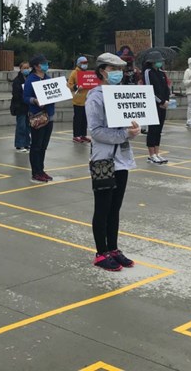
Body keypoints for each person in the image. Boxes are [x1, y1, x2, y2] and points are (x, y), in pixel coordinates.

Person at [85, 52, 141, 271]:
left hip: (122, 158)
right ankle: (101, 252)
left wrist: (135, 128)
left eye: (120, 69)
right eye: (113, 69)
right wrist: (125, 135)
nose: (118, 73)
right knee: (103, 207)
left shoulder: (123, 94)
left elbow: (132, 120)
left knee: (115, 207)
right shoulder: (95, 97)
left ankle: (113, 248)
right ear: (102, 71)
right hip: (103, 159)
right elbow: (96, 131)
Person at [22, 54, 55, 183]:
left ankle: (41, 169)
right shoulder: (31, 79)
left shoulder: (47, 78)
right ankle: (35, 172)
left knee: (43, 146)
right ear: (36, 66)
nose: (46, 65)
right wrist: (35, 100)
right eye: (43, 63)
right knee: (36, 145)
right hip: (38, 117)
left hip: (49, 116)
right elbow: (25, 97)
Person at [142, 52, 170, 164]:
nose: (160, 63)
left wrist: (166, 100)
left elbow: (166, 88)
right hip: (154, 104)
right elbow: (149, 89)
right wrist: (161, 101)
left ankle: (157, 153)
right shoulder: (148, 72)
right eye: (158, 61)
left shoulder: (161, 73)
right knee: (152, 129)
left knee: (159, 129)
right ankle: (151, 154)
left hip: (163, 104)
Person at [67, 56, 92, 143]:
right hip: (78, 100)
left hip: (86, 99)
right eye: (83, 63)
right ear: (79, 63)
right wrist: (76, 87)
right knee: (78, 118)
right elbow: (69, 85)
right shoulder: (74, 73)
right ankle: (76, 135)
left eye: (86, 63)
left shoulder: (87, 73)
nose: (85, 65)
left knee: (84, 119)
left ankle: (83, 135)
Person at [11, 61, 32, 153]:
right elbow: (16, 94)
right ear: (20, 69)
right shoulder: (17, 80)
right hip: (20, 106)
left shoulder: (30, 79)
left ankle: (27, 143)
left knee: (28, 126)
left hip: (29, 106)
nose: (26, 70)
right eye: (24, 68)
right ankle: (19, 144)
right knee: (21, 126)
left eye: (28, 68)